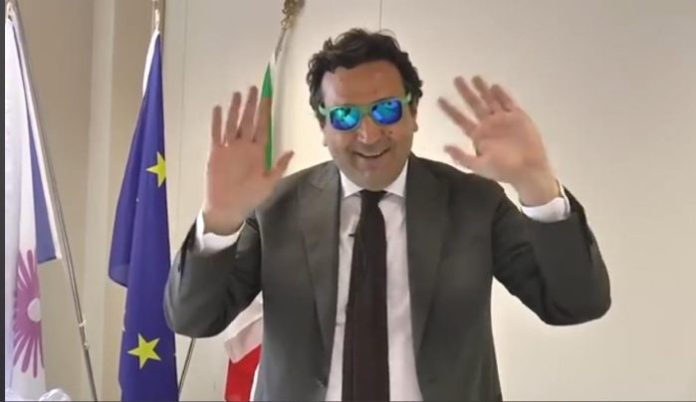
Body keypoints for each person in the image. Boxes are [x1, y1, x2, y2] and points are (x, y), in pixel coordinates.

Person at [164, 28, 611, 401]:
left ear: (413, 112)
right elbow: (193, 319)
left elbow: (575, 303)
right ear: (323, 126)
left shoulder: (475, 202)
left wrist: (536, 185)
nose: (368, 133)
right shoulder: (276, 207)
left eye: (386, 109)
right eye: (344, 116)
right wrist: (218, 220)